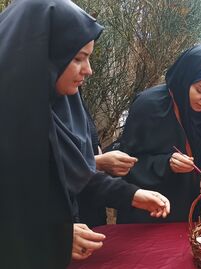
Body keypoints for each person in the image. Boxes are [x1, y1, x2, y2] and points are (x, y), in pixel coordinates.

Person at [0, 0, 170, 267]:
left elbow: (76, 173)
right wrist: (51, 237)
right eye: (78, 58)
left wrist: (132, 195)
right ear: (42, 55)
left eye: (88, 57)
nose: (88, 70)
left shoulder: (60, 103)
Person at [117, 44, 201, 223]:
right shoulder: (149, 106)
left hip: (195, 218)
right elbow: (127, 163)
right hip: (152, 214)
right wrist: (166, 163)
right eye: (200, 90)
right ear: (185, 80)